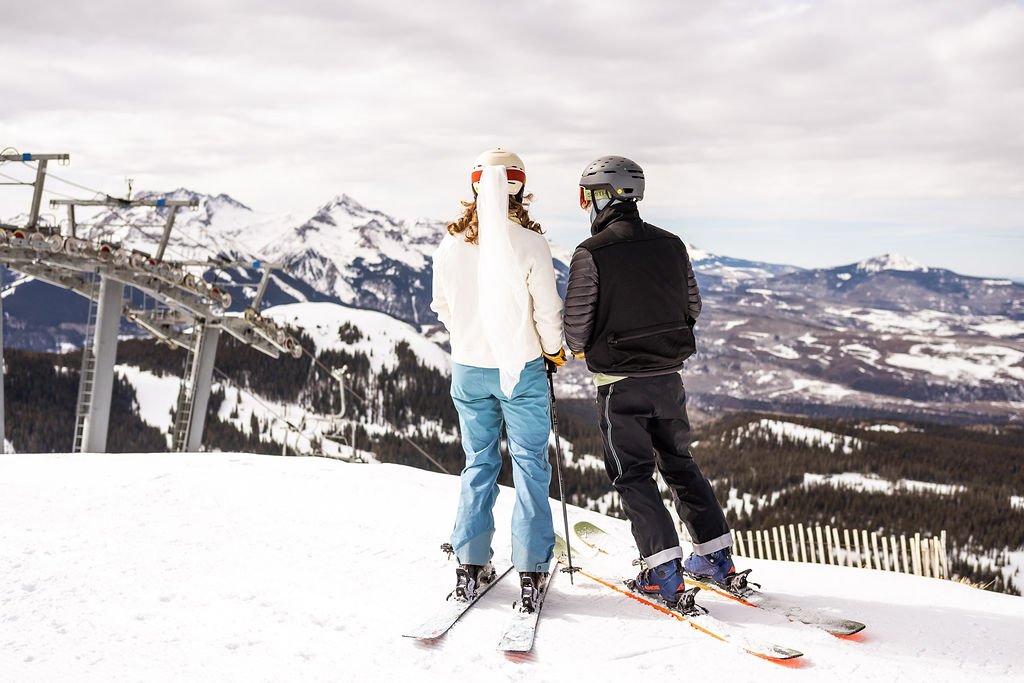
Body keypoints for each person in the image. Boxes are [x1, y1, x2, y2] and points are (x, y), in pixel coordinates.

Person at [563, 155, 737, 607]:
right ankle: (716, 559)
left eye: (585, 194)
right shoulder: (672, 245)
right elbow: (691, 307)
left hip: (619, 382)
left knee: (633, 473)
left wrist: (590, 344)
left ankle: (662, 573)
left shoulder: (591, 252)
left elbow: (576, 330)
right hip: (669, 378)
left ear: (600, 197)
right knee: (680, 462)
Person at [430, 148, 566, 609]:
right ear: (519, 189)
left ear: (474, 188)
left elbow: (442, 308)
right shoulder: (528, 243)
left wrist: (470, 339)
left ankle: (470, 563)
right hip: (521, 368)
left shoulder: (450, 245)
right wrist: (554, 351)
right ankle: (531, 568)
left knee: (479, 461)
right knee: (529, 463)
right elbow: (547, 310)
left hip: (468, 367)